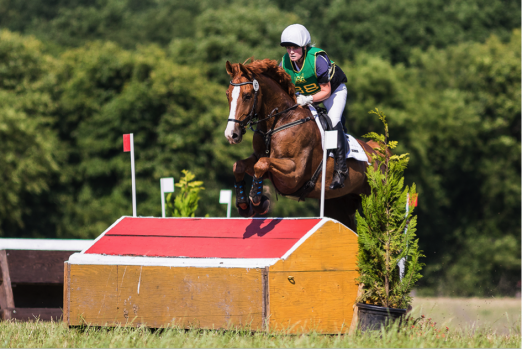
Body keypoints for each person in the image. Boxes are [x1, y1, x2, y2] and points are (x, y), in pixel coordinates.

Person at [280, 24, 349, 189]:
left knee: (332, 120)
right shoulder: (284, 63)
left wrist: (308, 99)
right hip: (307, 96)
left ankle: (341, 169)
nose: (291, 51)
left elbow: (325, 91)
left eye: (295, 47)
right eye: (288, 48)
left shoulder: (318, 59)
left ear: (304, 47)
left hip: (333, 91)